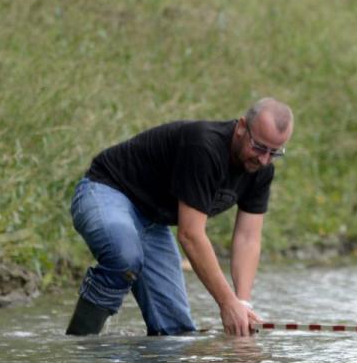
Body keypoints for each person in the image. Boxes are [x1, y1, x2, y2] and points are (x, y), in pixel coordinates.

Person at [66, 98, 294, 336]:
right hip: (105, 191)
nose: (264, 159)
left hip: (151, 221)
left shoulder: (261, 171)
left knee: (176, 332)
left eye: (274, 152)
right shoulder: (204, 146)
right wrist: (227, 303)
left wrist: (242, 304)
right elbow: (190, 235)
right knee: (125, 258)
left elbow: (248, 238)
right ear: (241, 127)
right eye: (259, 147)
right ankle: (79, 350)